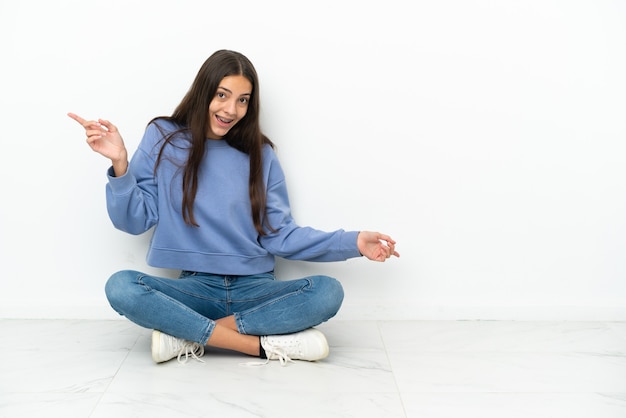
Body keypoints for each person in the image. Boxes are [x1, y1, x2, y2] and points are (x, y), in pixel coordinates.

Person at [68, 49, 399, 366]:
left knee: (327, 293)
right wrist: (121, 165)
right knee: (121, 286)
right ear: (203, 92)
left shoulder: (260, 154)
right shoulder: (164, 136)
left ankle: (188, 335)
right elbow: (134, 222)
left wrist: (352, 242)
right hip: (194, 287)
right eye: (223, 95)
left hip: (255, 287)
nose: (231, 109)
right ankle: (256, 345)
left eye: (243, 100)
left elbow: (279, 235)